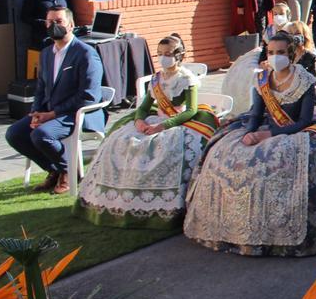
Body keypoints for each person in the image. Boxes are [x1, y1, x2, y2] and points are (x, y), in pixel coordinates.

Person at [184, 32, 316, 257]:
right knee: (226, 156)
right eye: (271, 53)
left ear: (291, 54)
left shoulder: (305, 82)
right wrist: (249, 134)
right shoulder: (262, 79)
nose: (275, 57)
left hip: (295, 133)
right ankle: (235, 226)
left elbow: (303, 121)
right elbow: (256, 113)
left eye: (280, 53)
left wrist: (269, 135)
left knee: (277, 164)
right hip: (264, 129)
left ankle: (278, 231)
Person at [74, 34, 218, 228]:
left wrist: (163, 126)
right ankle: (122, 200)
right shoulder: (157, 79)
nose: (163, 57)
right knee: (121, 142)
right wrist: (139, 120)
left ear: (179, 55)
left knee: (164, 151)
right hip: (154, 119)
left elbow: (191, 110)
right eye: (160, 54)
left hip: (178, 122)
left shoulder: (186, 79)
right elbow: (144, 106)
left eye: (168, 54)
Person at [5, 7, 105, 194]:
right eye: (50, 22)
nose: (53, 26)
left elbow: (89, 96)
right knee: (14, 134)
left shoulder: (85, 54)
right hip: (51, 113)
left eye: (58, 21)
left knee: (41, 135)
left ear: (71, 25)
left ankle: (68, 172)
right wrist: (35, 113)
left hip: (78, 113)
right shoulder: (46, 54)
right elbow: (41, 88)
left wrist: (52, 114)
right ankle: (54, 169)